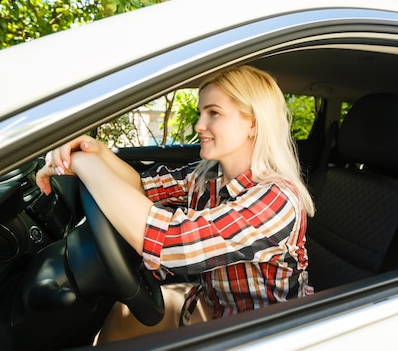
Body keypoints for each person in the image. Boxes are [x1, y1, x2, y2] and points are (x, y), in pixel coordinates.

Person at [36, 65, 315, 342]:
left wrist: (83, 163)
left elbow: (169, 240)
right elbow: (140, 189)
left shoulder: (276, 200)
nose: (199, 126)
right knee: (125, 314)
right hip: (215, 307)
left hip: (267, 334)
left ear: (253, 123)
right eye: (200, 113)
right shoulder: (207, 176)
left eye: (214, 113)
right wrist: (95, 151)